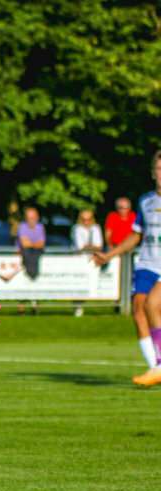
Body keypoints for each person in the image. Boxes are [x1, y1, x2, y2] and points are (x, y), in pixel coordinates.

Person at [94, 151, 161, 382]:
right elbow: (136, 236)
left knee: (154, 305)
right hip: (147, 263)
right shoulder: (146, 201)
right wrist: (109, 255)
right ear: (153, 173)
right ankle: (156, 367)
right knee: (139, 309)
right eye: (159, 170)